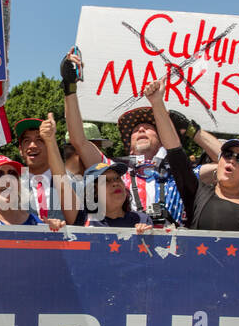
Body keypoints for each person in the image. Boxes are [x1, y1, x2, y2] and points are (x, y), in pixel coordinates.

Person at [63, 48, 191, 225]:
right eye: (135, 130)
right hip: (129, 247)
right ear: (128, 145)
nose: (140, 130)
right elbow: (79, 141)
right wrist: (69, 87)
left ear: (162, 138)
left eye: (148, 127)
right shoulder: (115, 171)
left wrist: (159, 105)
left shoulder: (181, 171)